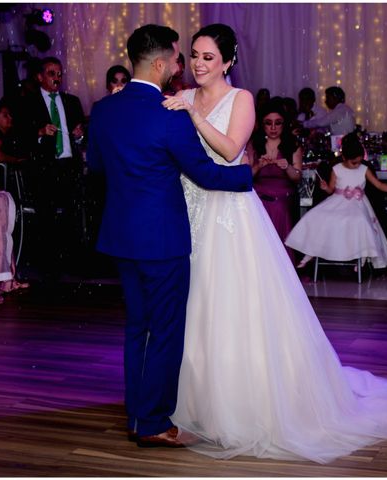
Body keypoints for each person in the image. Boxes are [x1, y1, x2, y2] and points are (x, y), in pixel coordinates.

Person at [164, 25, 387, 459]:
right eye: (195, 56)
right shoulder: (184, 96)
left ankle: (242, 405)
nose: (200, 64)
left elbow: (230, 150)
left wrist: (193, 114)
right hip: (190, 210)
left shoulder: (239, 100)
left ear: (227, 61)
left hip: (229, 213)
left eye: (209, 57)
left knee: (231, 302)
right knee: (193, 304)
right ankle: (194, 403)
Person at [86, 24, 253, 449]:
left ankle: (137, 413)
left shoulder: (103, 110)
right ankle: (154, 422)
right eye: (180, 58)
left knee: (136, 327)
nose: (183, 65)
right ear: (160, 63)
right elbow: (205, 173)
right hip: (162, 240)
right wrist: (247, 177)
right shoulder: (169, 115)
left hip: (121, 237)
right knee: (164, 330)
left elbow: (98, 168)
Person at [285, 132, 387, 270]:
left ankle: (361, 256)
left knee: (360, 222)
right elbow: (331, 190)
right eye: (353, 162)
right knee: (318, 218)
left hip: (358, 204)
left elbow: (378, 184)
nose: (357, 165)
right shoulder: (336, 169)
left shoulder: (364, 169)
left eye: (359, 161)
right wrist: (325, 188)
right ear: (343, 157)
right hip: (336, 202)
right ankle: (311, 253)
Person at [17, 56, 87, 284]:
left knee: (71, 214)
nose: (57, 78)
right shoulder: (28, 103)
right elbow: (18, 139)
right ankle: (49, 267)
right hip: (44, 168)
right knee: (46, 217)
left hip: (68, 165)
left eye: (59, 73)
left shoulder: (72, 101)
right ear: (39, 77)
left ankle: (72, 263)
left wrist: (80, 135)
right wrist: (38, 133)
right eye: (51, 73)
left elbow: (81, 134)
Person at [246, 101, 303, 262]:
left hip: (282, 196)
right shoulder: (254, 144)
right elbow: (247, 176)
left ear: (284, 125)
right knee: (257, 205)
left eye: (278, 123)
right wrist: (259, 165)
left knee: (278, 207)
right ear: (262, 124)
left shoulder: (292, 145)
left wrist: (287, 167)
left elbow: (297, 177)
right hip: (258, 194)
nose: (273, 128)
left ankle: (279, 264)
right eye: (268, 123)